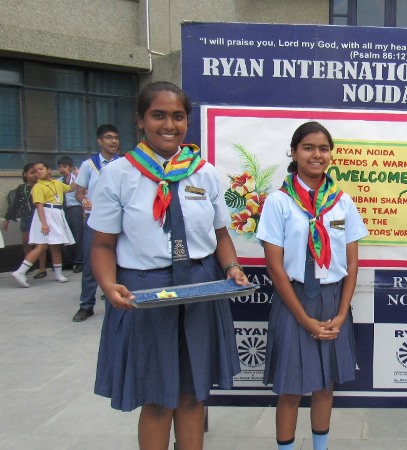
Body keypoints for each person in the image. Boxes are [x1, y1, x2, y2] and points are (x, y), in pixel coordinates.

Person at [90, 81, 246, 450]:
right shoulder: (119, 174)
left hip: (200, 286)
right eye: (158, 115)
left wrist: (231, 268)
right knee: (158, 399)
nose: (169, 125)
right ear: (140, 120)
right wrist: (109, 285)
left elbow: (220, 235)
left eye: (177, 116)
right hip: (146, 292)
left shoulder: (204, 173)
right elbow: (102, 244)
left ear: (187, 122)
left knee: (192, 395)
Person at [255, 121, 367, 450]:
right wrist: (304, 319)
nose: (316, 155)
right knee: (290, 390)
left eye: (323, 148)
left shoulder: (342, 202)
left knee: (325, 386)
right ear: (293, 153)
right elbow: (274, 267)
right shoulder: (278, 202)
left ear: (330, 154)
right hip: (294, 300)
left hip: (332, 300)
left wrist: (342, 313)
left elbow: (352, 263)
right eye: (308, 148)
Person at [71, 124, 120, 322]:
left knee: (120, 260)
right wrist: (83, 201)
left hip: (119, 220)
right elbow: (79, 192)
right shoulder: (89, 165)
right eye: (109, 137)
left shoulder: (124, 164)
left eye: (116, 137)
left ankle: (115, 297)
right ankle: (86, 305)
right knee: (91, 263)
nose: (113, 141)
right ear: (100, 141)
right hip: (95, 220)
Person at [10, 162, 75, 287]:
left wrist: (79, 175)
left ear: (49, 170)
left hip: (57, 213)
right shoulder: (38, 187)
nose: (38, 172)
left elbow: (71, 188)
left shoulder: (57, 183)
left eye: (40, 169)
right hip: (46, 215)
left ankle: (58, 274)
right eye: (35, 171)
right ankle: (20, 271)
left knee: (56, 245)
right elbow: (39, 206)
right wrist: (44, 224)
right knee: (42, 245)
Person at [3, 163, 47, 279]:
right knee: (26, 242)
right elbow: (14, 204)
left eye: (36, 172)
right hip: (26, 218)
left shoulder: (41, 186)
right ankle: (28, 266)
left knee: (39, 243)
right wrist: (8, 218)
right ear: (25, 174)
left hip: (38, 218)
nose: (34, 175)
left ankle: (42, 269)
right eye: (32, 173)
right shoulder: (21, 188)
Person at [57, 156, 83, 272]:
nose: (62, 169)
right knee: (66, 235)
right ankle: (68, 261)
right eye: (60, 167)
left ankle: (79, 262)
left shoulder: (78, 178)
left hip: (76, 208)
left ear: (71, 168)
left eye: (65, 166)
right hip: (63, 209)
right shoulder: (58, 181)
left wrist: (78, 177)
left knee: (78, 235)